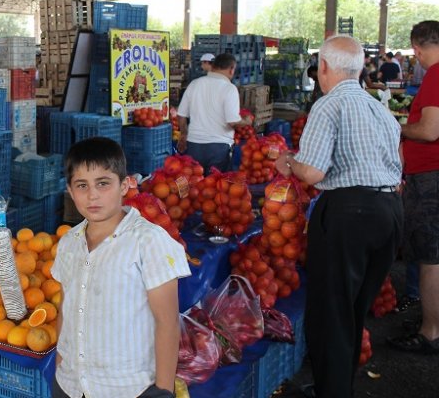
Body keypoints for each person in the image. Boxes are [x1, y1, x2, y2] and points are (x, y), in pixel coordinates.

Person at [275, 35, 403, 398]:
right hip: (389, 211)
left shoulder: (329, 105)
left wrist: (287, 163)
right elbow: (399, 163)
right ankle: (338, 386)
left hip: (350, 213)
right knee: (355, 308)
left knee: (332, 312)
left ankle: (331, 391)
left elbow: (312, 172)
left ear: (325, 68)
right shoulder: (379, 106)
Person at [51, 137, 190, 398]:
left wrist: (162, 390)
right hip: (70, 385)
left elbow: (167, 322)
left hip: (130, 389)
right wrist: (61, 365)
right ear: (70, 191)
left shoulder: (148, 241)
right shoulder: (69, 243)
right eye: (82, 185)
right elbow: (65, 308)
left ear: (125, 185)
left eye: (103, 183)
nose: (92, 195)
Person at [389, 20, 439, 355]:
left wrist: (400, 126)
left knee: (429, 257)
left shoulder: (435, 75)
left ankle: (430, 333)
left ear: (417, 47)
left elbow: (430, 131)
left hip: (430, 177)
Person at [177, 53, 253, 172]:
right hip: (219, 148)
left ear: (214, 66)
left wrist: (183, 134)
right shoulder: (229, 88)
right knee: (214, 187)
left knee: (195, 185)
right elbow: (233, 122)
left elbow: (181, 115)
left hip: (194, 145)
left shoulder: (195, 84)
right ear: (231, 69)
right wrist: (246, 121)